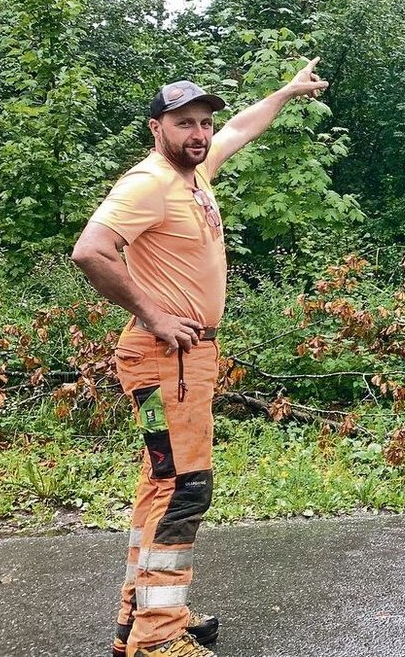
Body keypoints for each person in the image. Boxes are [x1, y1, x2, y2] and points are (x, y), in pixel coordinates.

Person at [72, 59, 328, 657]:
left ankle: (140, 617)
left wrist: (286, 92)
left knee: (161, 482)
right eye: (184, 122)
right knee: (185, 488)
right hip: (169, 358)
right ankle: (158, 639)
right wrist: (157, 315)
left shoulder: (195, 174)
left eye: (203, 122)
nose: (200, 133)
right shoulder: (150, 182)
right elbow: (91, 251)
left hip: (179, 360)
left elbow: (241, 128)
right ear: (156, 127)